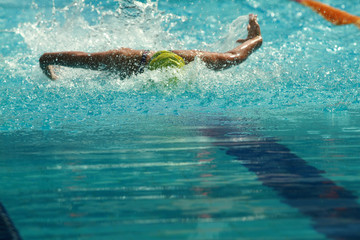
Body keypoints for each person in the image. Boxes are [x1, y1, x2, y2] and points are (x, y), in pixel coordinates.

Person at [39, 14, 262, 80]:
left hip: (168, 57)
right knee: (90, 62)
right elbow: (235, 55)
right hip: (134, 57)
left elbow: (234, 56)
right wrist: (47, 65)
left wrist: (256, 39)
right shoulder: (121, 60)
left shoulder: (192, 61)